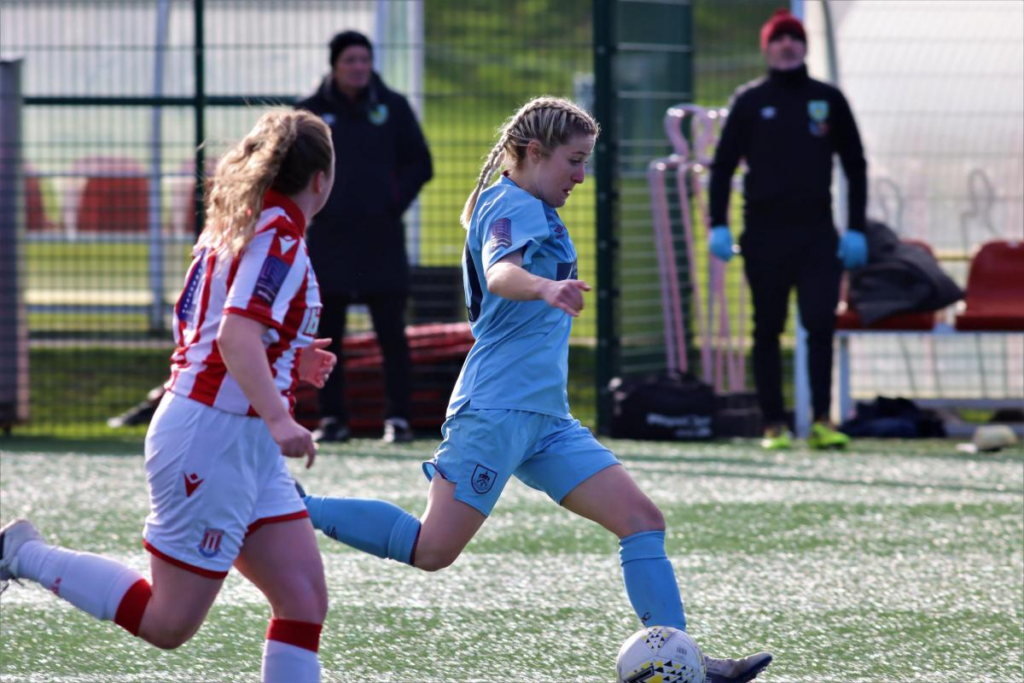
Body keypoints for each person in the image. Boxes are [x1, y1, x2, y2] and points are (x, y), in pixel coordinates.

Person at [295, 96, 772, 683]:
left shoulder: (531, 204)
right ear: (532, 153)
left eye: (586, 162)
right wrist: (546, 288)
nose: (580, 175)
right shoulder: (510, 203)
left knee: (642, 520)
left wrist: (547, 289)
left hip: (545, 418)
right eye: (573, 161)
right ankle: (295, 506)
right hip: (495, 411)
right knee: (431, 550)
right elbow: (500, 271)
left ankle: (688, 661)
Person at [1, 110, 339, 683]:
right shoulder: (278, 234)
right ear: (321, 179)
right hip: (214, 437)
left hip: (236, 437)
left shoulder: (245, 221)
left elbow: (224, 331)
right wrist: (281, 416)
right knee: (168, 623)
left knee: (304, 599)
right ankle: (21, 552)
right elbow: (233, 336)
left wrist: (287, 360)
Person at [708, 8, 868, 450]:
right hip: (764, 233)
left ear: (805, 46)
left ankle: (821, 419)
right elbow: (722, 167)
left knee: (820, 322)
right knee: (767, 327)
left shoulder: (827, 99)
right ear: (766, 46)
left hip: (817, 233)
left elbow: (855, 164)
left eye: (794, 38)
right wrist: (719, 224)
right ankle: (772, 424)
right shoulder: (750, 100)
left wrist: (855, 228)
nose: (786, 45)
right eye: (778, 38)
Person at [297, 30, 433, 444]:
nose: (358, 68)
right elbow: (290, 165)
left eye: (364, 60)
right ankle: (333, 418)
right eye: (350, 61)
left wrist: (392, 201)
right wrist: (314, 205)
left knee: (392, 333)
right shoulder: (311, 112)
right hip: (330, 239)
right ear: (334, 66)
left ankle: (399, 419)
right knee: (328, 333)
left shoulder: (392, 108)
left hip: (381, 238)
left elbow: (420, 163)